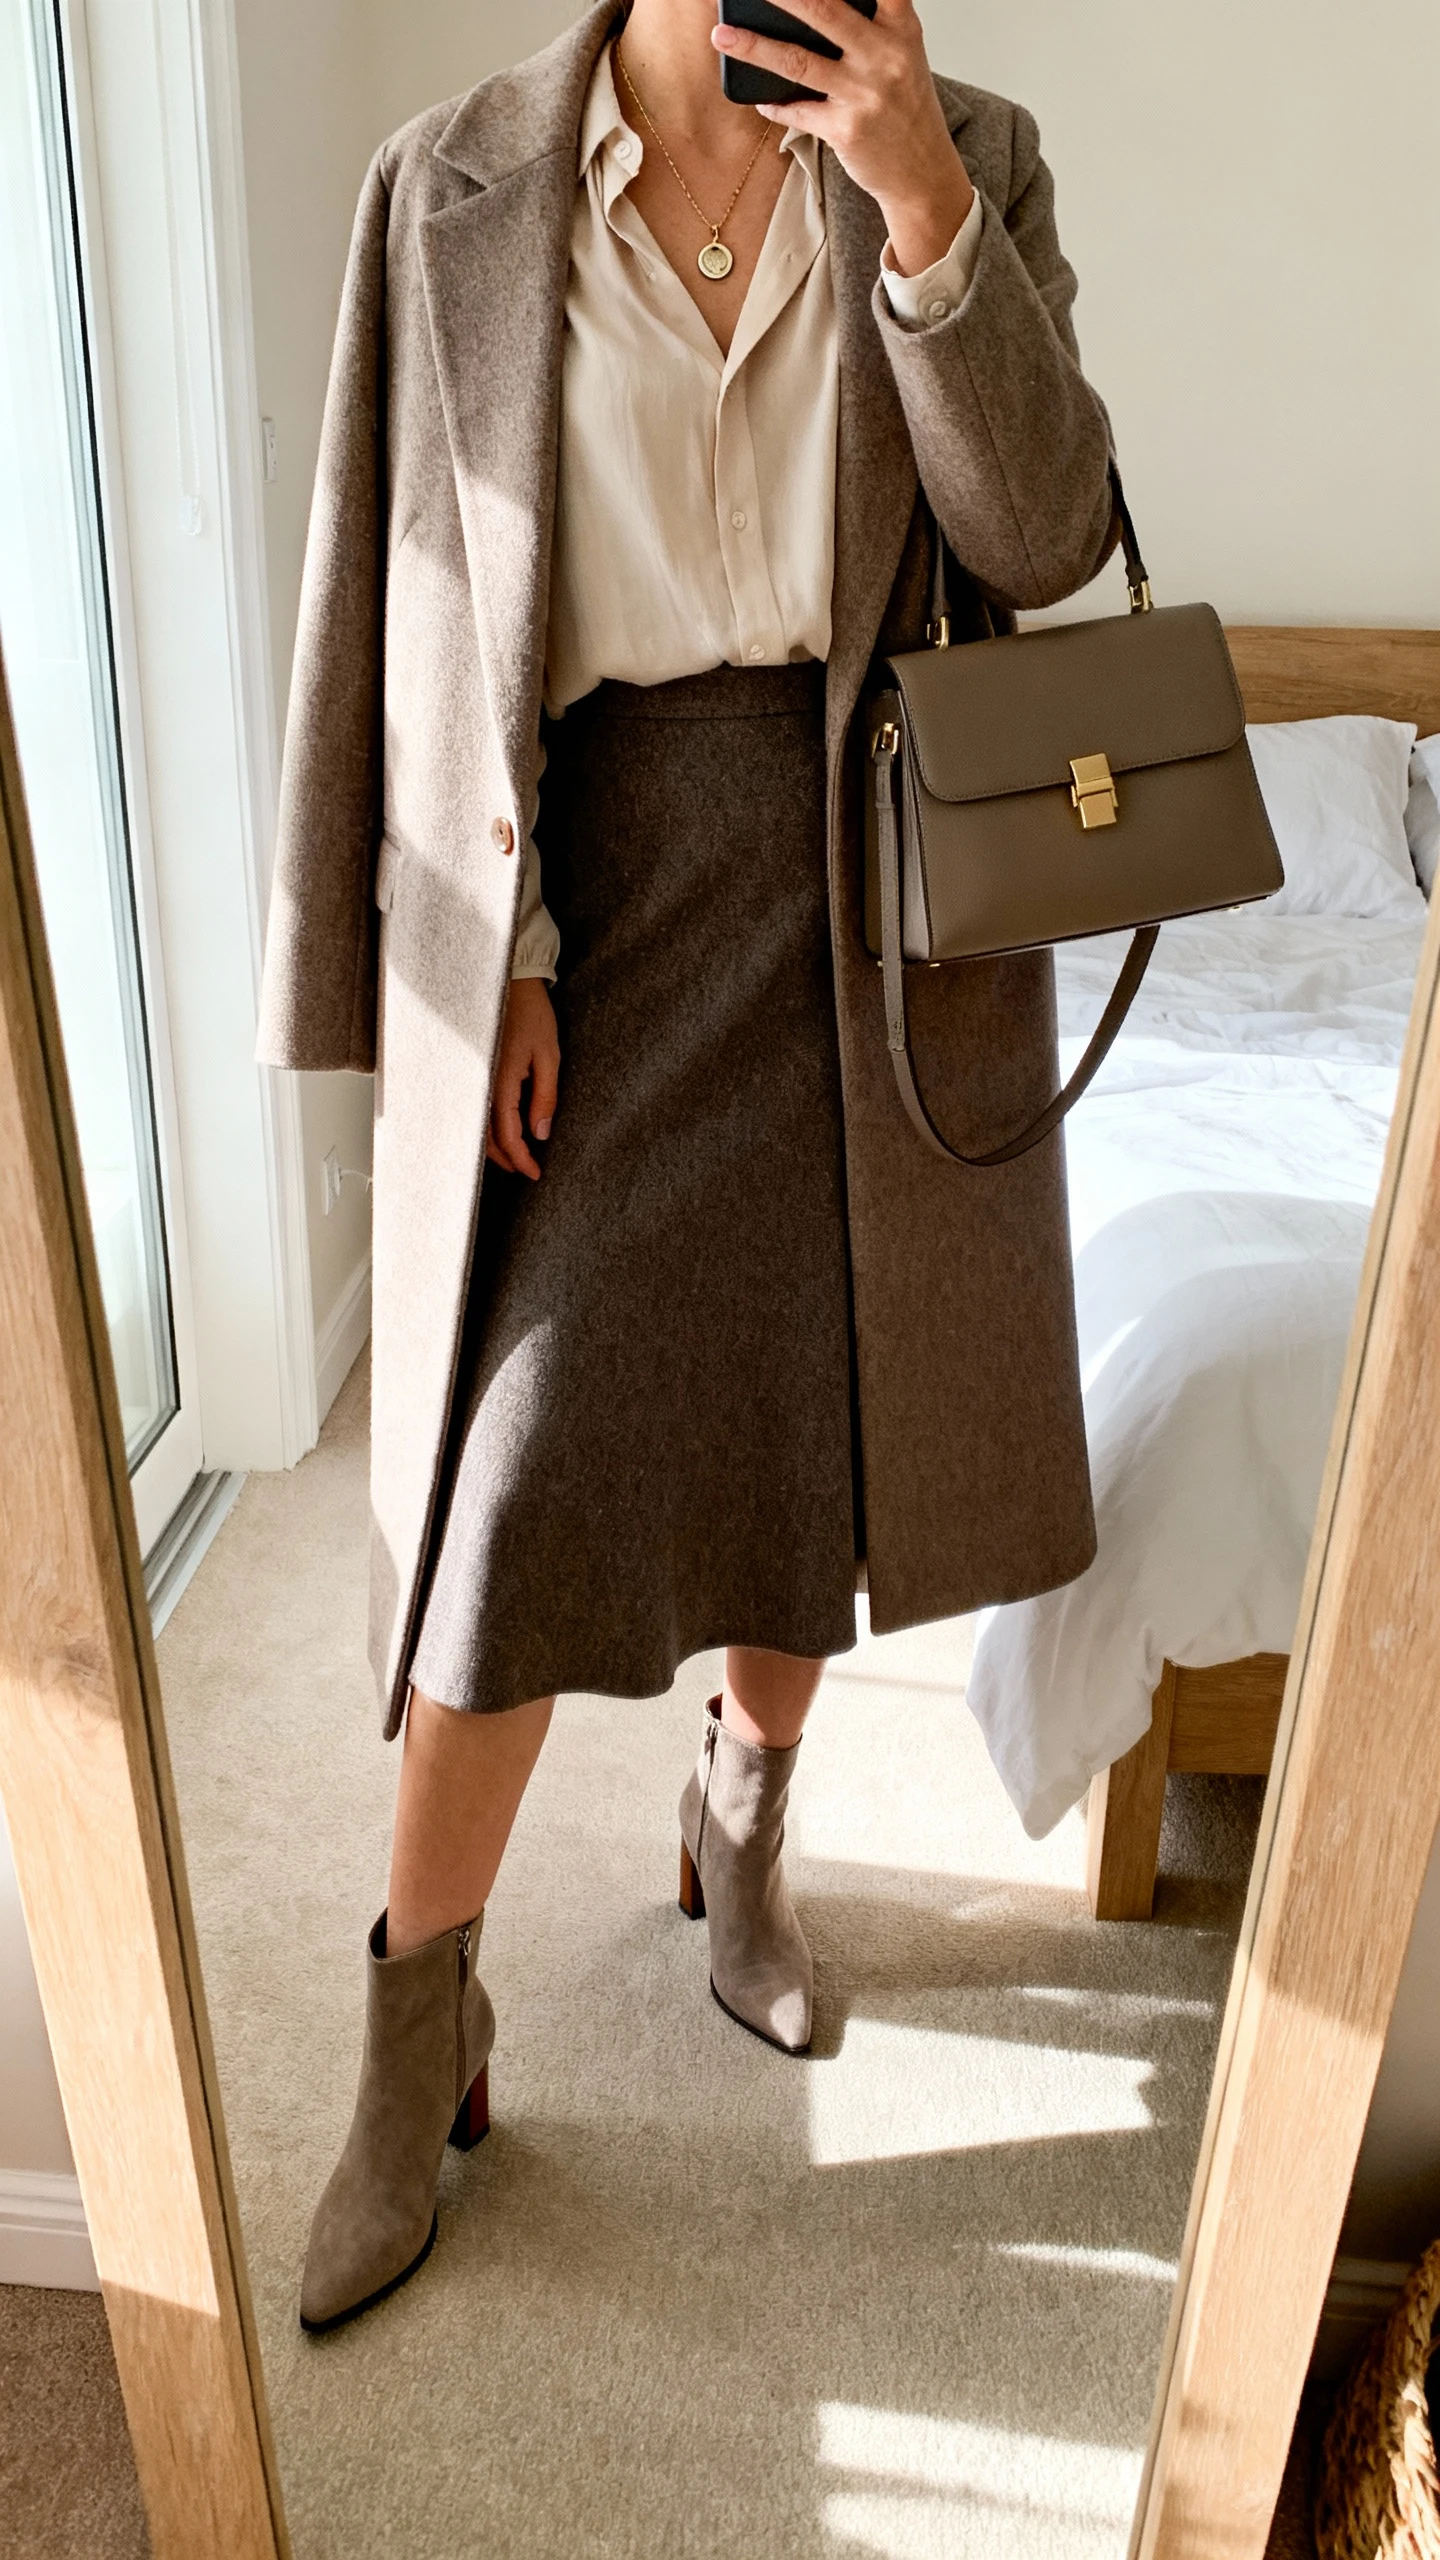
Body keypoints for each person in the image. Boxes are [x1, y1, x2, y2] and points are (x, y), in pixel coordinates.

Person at [256, 0, 1116, 2333]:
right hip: (595, 902)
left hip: (863, 912)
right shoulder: (449, 184)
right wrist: (497, 942)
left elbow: (1037, 533)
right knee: (513, 1490)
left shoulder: (969, 154)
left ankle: (742, 1842)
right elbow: (427, 605)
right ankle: (414, 2029)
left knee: (799, 1442)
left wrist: (922, 197)